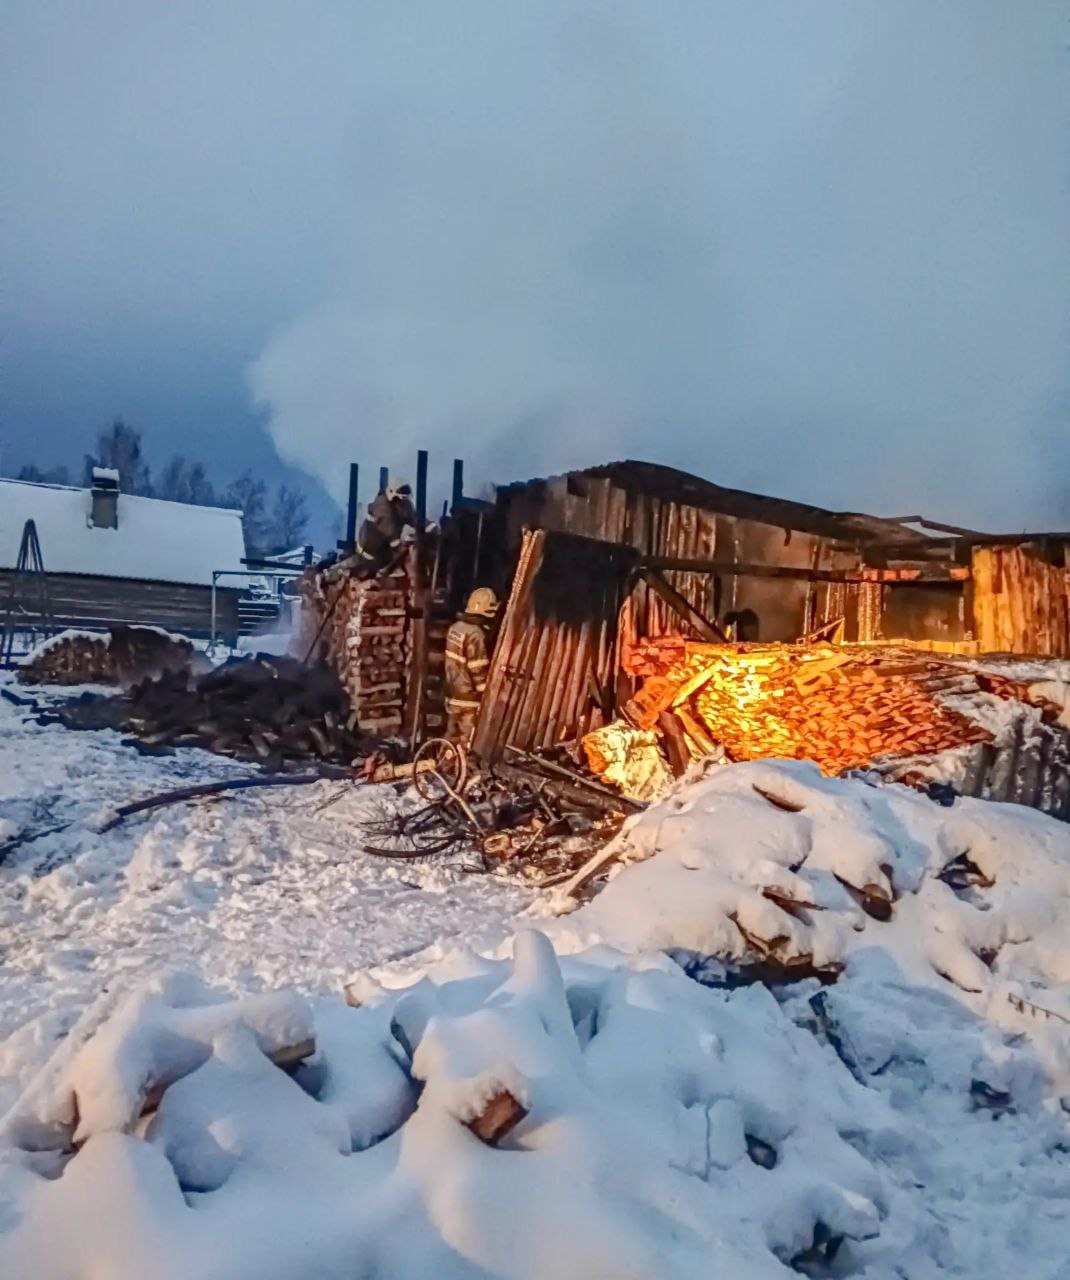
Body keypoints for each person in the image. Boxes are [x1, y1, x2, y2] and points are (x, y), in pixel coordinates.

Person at [444, 587, 498, 744]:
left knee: (451, 737)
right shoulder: (476, 634)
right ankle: (461, 767)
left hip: (452, 693)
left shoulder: (455, 629)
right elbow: (477, 667)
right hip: (469, 698)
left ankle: (444, 765)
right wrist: (486, 693)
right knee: (466, 741)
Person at [352, 478, 417, 578]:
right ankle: (386, 570)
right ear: (392, 496)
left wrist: (429, 528)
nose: (401, 503)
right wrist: (404, 542)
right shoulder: (383, 509)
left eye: (403, 500)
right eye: (398, 499)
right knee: (403, 549)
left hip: (383, 548)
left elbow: (413, 518)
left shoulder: (403, 505)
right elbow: (390, 533)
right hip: (371, 553)